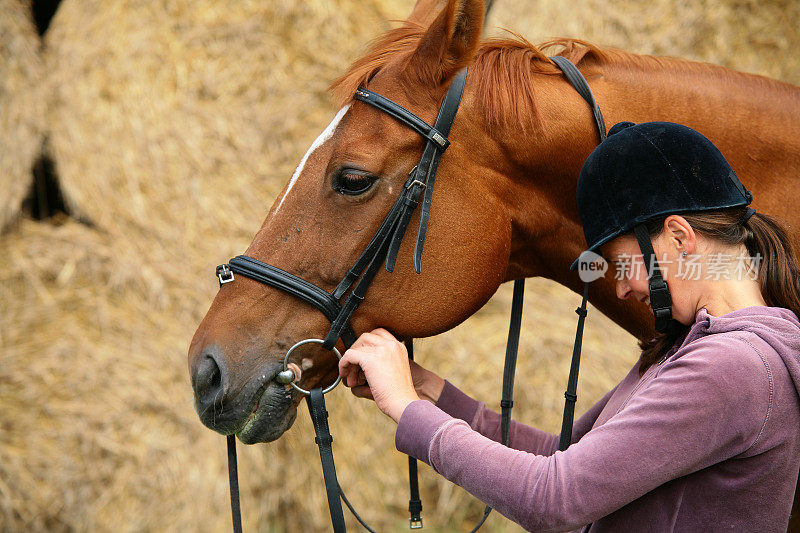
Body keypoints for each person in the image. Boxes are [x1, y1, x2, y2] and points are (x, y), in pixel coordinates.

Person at [338, 121, 800, 532]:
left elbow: (555, 498)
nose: (620, 291)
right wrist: (428, 390)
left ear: (679, 238)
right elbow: (564, 458)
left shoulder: (732, 367)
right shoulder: (699, 349)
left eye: (621, 266)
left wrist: (405, 409)